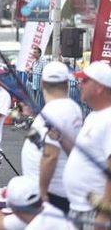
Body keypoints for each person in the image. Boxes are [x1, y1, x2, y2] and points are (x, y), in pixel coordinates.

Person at [20, 61, 83, 215]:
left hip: (51, 192)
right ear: (67, 83)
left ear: (42, 83)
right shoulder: (71, 107)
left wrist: (42, 193)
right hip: (58, 188)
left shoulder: (56, 111)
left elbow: (50, 156)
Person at [64, 61, 111, 229]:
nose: (79, 84)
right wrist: (62, 139)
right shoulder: (94, 116)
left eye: (85, 81)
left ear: (99, 87)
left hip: (94, 213)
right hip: (80, 209)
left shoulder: (108, 119)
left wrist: (104, 216)